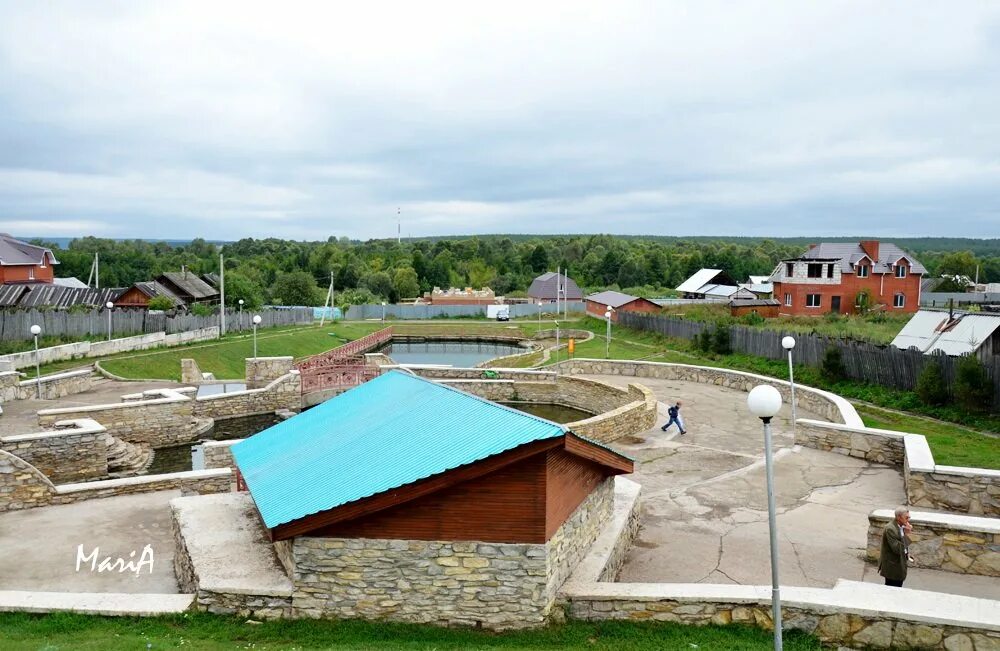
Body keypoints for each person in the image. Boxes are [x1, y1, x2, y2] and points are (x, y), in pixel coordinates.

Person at [878, 506, 913, 587]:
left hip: (900, 564)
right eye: (906, 518)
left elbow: (903, 546)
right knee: (892, 589)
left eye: (909, 517)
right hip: (892, 566)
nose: (908, 520)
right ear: (898, 517)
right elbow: (897, 549)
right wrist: (906, 535)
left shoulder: (902, 526)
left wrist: (907, 554)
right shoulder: (890, 529)